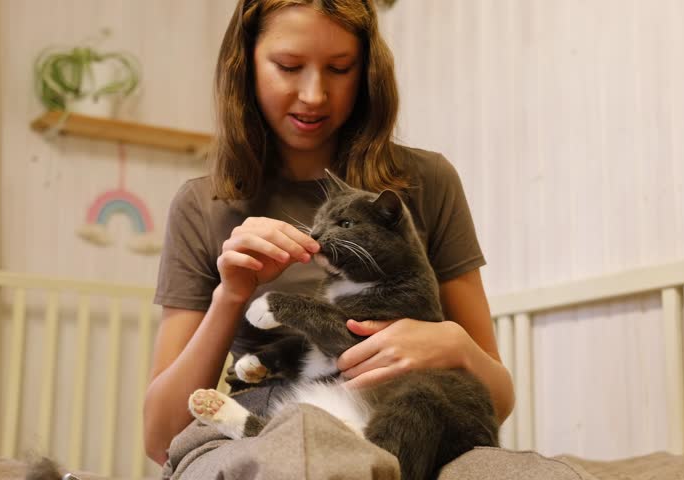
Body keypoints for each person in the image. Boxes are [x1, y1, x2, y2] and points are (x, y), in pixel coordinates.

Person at [143, 0, 514, 468]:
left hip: (412, 415)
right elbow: (160, 438)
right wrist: (231, 295)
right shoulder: (202, 204)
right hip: (275, 410)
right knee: (303, 461)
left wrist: (456, 346)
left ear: (367, 72)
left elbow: (497, 400)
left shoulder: (427, 181)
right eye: (288, 66)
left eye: (340, 68)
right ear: (246, 65)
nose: (314, 95)